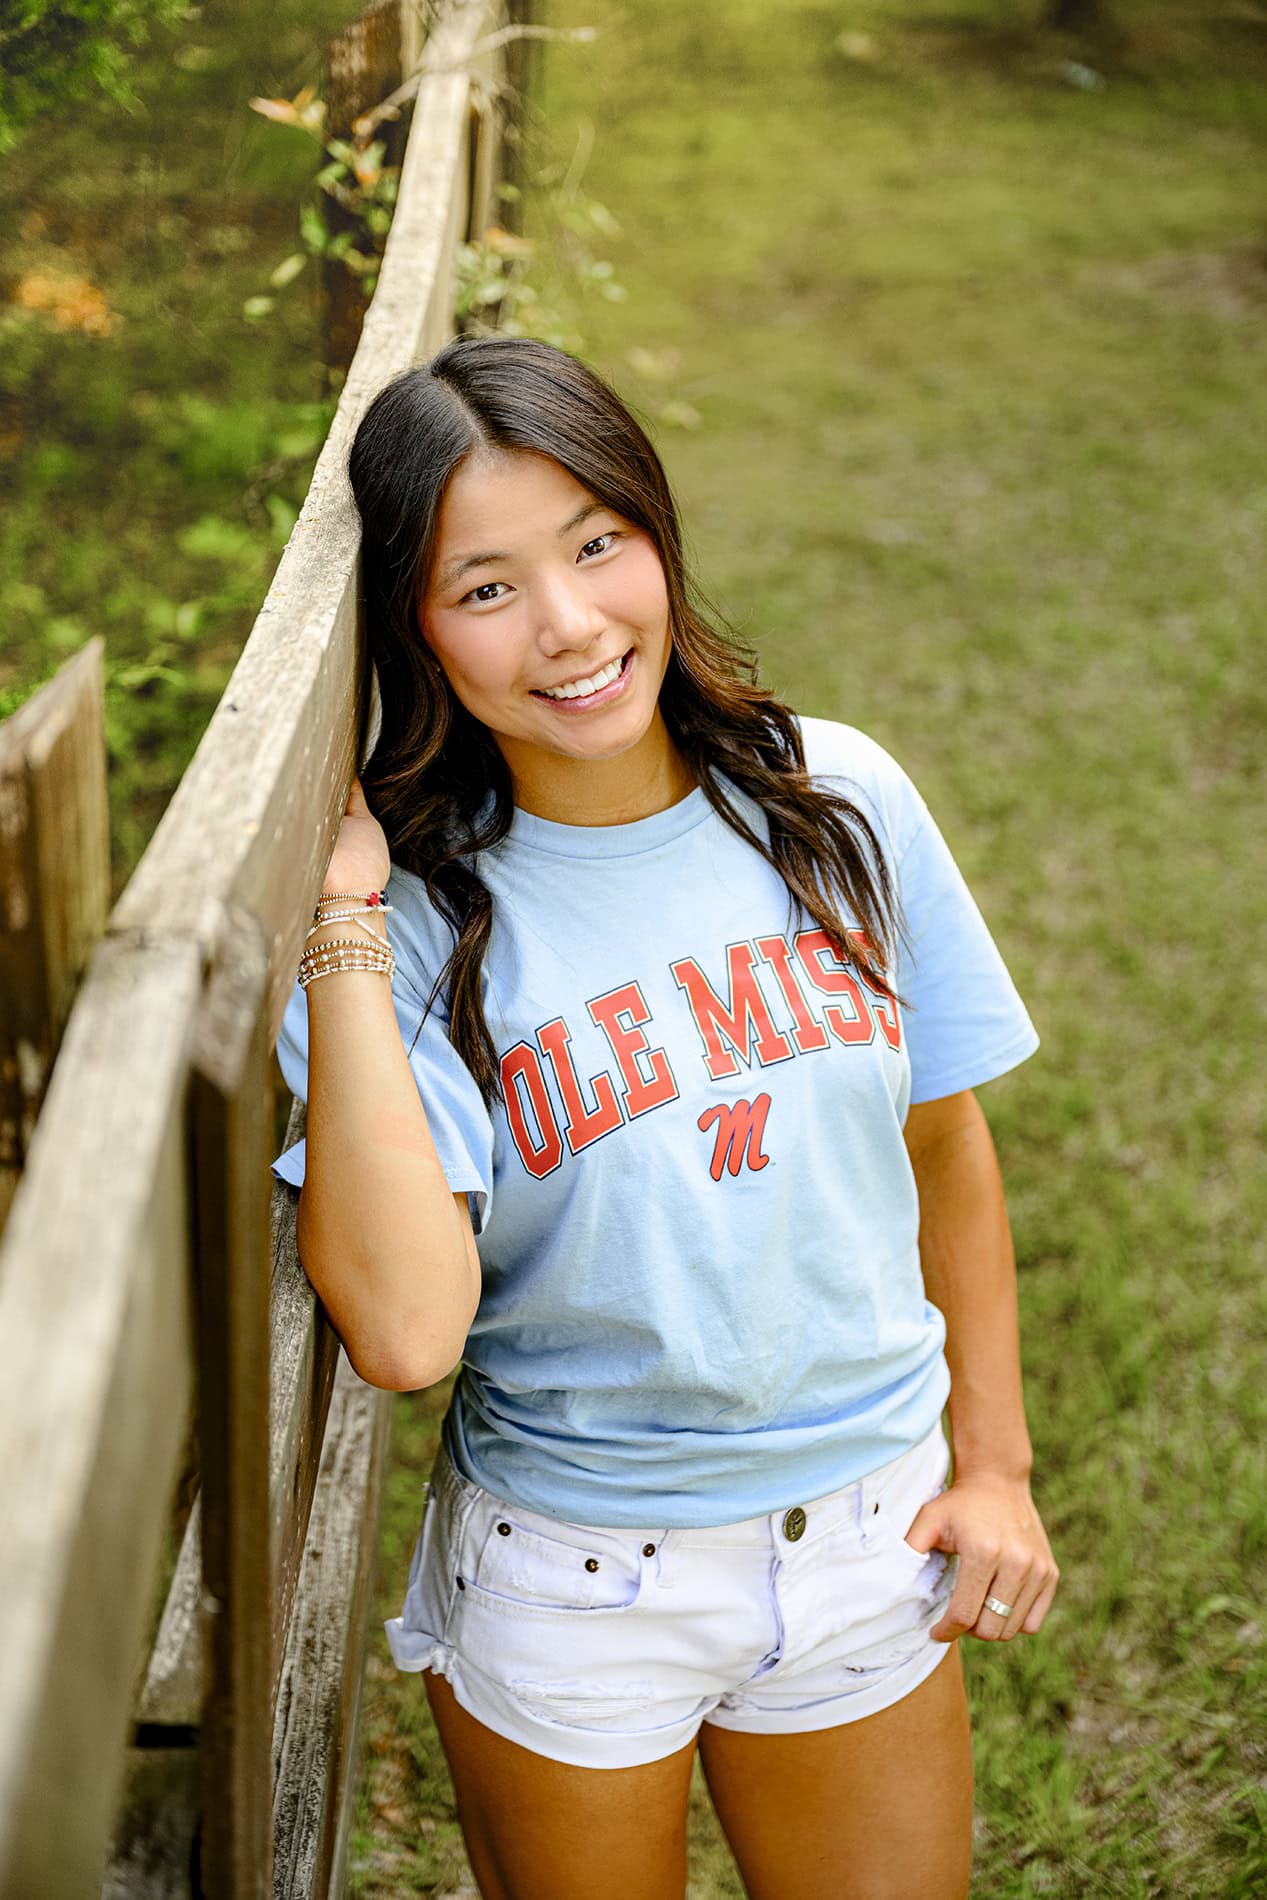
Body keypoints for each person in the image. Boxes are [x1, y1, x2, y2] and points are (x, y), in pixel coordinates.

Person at [270, 334, 1058, 1900]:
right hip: (577, 1585)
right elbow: (410, 1337)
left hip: (868, 1541)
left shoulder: (831, 801)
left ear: (656, 533)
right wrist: (352, 931)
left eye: (595, 544)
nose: (569, 628)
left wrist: (999, 1464)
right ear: (416, 631)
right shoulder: (418, 926)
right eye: (485, 588)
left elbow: (943, 1139)